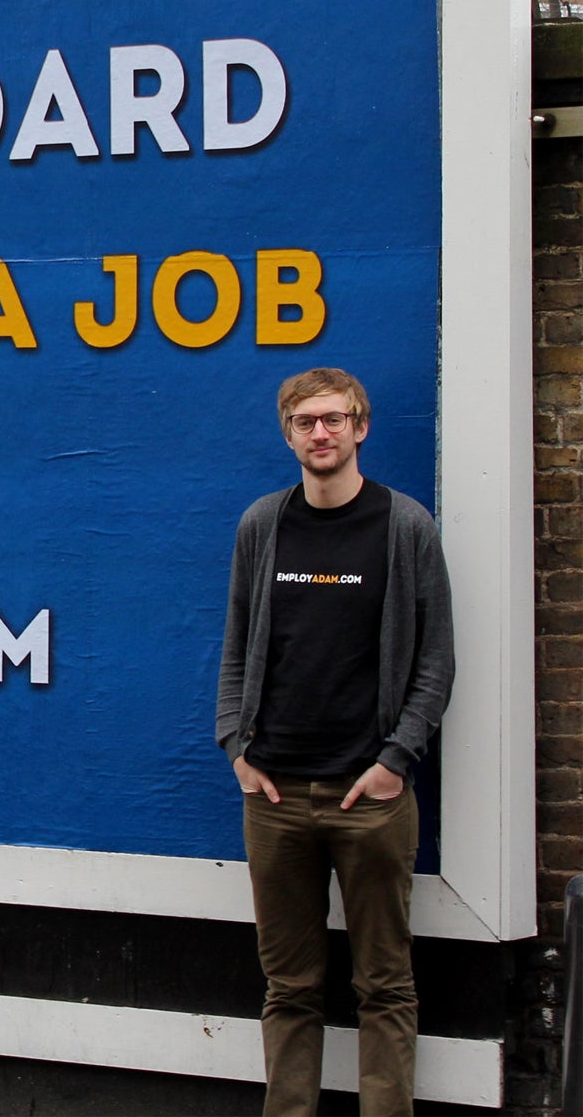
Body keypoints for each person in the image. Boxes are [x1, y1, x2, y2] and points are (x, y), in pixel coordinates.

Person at [216, 367, 453, 1117]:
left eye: (334, 419)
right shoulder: (264, 525)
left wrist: (395, 761)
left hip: (371, 799)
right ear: (288, 434)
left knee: (385, 985)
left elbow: (436, 661)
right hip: (277, 796)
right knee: (288, 987)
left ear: (361, 427)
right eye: (305, 422)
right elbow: (235, 646)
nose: (321, 433)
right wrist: (236, 747)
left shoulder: (404, 526)